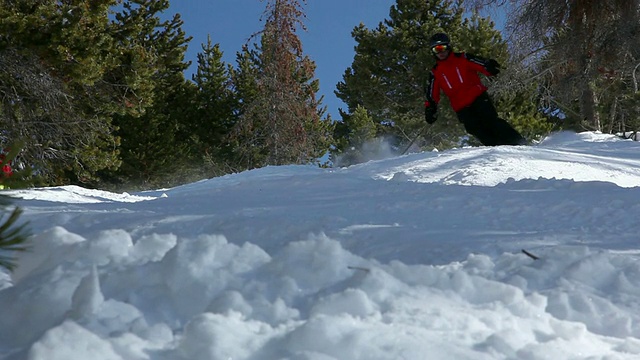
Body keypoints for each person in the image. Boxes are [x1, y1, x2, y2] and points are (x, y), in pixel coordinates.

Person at [424, 33, 526, 146]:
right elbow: (432, 93)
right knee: (474, 129)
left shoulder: (462, 58)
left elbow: (480, 63)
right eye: (436, 50)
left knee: (491, 121)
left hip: (478, 97)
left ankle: (518, 143)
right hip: (461, 107)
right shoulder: (435, 72)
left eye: (442, 48)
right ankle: (497, 148)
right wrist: (430, 108)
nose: (440, 52)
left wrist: (488, 66)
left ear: (448, 47)